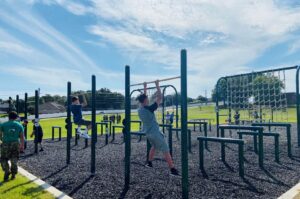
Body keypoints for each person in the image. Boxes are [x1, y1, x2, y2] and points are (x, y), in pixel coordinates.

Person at [137, 80, 179, 176]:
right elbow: (160, 97)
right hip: (155, 133)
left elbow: (144, 98)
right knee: (165, 149)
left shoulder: (140, 109)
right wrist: (157, 85)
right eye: (147, 99)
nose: (148, 99)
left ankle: (150, 162)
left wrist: (145, 87)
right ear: (145, 101)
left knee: (154, 146)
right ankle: (172, 169)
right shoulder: (150, 108)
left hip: (148, 133)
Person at [0, 111, 24, 181]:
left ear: (8, 117)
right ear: (16, 117)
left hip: (5, 144)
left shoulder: (3, 125)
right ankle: (13, 174)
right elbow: (22, 137)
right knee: (14, 159)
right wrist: (22, 146)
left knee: (3, 159)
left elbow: (0, 134)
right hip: (16, 143)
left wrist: (1, 140)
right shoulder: (19, 125)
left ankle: (7, 171)